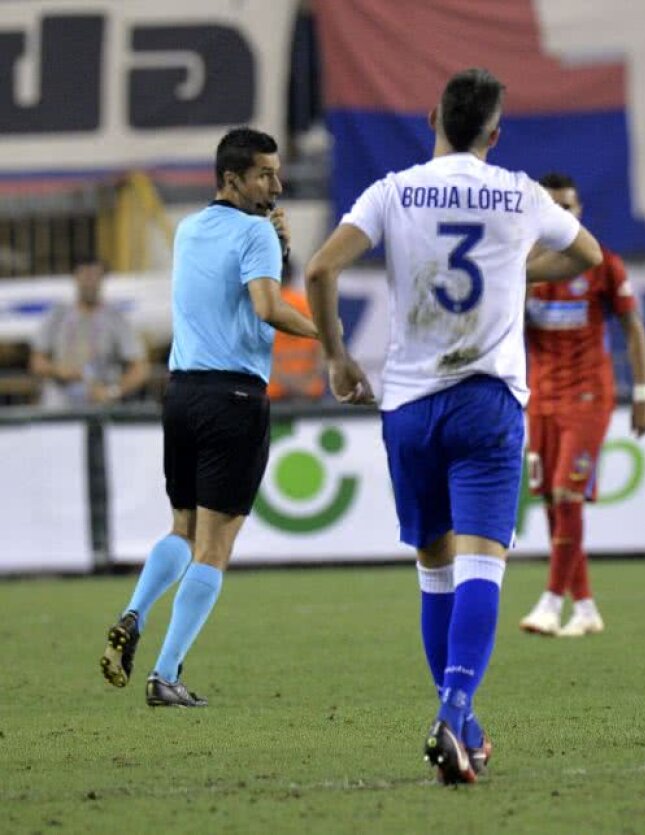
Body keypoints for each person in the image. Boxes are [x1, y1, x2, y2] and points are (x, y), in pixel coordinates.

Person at [304, 68, 602, 785]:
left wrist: (338, 355)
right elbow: (589, 255)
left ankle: (463, 725)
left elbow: (318, 269)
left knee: (434, 570)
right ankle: (456, 707)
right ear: (496, 134)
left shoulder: (393, 190)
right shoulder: (520, 192)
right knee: (482, 564)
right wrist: (519, 271)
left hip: (408, 407)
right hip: (487, 402)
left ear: (432, 115)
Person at [100, 127, 318, 708]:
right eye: (264, 174)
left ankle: (133, 612)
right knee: (214, 549)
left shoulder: (191, 230)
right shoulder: (256, 234)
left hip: (183, 394)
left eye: (276, 172)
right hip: (235, 398)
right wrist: (328, 334)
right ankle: (165, 673)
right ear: (231, 179)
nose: (276, 183)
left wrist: (279, 249)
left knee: (183, 528)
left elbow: (227, 298)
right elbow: (266, 309)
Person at [518, 172, 645, 638]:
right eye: (551, 207)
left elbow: (634, 327)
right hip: (540, 399)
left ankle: (551, 602)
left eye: (568, 208)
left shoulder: (602, 265)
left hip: (587, 396)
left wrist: (642, 393)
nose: (561, 215)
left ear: (579, 213)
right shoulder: (520, 269)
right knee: (553, 504)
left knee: (567, 493)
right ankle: (587, 608)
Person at [29, 261, 150, 409]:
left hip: (99, 403)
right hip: (59, 403)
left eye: (95, 276)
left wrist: (112, 392)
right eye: (85, 276)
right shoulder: (58, 315)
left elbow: (140, 369)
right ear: (76, 278)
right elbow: (37, 362)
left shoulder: (115, 318)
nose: (90, 282)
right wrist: (58, 370)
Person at [267, 260, 326, 401]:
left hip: (275, 394)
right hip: (309, 393)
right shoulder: (311, 305)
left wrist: (287, 383)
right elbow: (325, 350)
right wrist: (306, 382)